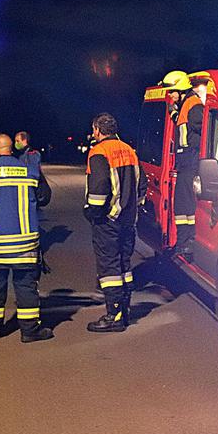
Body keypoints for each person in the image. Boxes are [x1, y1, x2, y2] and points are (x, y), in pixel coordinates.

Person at [0, 134, 53, 343]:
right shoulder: (29, 171)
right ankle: (29, 331)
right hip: (24, 244)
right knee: (26, 286)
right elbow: (45, 197)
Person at [84, 113, 146, 332]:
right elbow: (142, 185)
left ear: (98, 130)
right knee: (123, 265)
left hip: (108, 220)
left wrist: (92, 212)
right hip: (128, 220)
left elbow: (99, 186)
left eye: (93, 129)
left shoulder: (99, 151)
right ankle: (124, 309)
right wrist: (131, 209)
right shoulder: (130, 150)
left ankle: (114, 315)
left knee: (109, 268)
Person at [161, 70, 203, 261]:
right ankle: (183, 241)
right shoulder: (186, 104)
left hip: (190, 160)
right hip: (186, 161)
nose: (170, 95)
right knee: (181, 205)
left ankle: (187, 242)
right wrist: (174, 112)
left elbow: (201, 127)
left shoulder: (193, 104)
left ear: (180, 88)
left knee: (185, 205)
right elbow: (185, 123)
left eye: (171, 91)